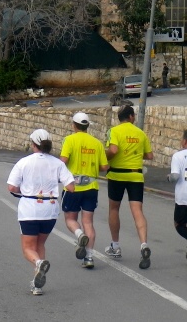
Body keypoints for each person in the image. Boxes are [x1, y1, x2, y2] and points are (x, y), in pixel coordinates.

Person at [7, 129, 75, 295]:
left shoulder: (24, 162)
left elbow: (11, 187)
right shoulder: (58, 163)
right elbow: (71, 186)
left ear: (33, 144)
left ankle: (38, 264)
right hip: (50, 208)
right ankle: (37, 284)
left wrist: (23, 191)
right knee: (40, 244)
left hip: (30, 208)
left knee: (28, 249)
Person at [104, 105, 154, 269]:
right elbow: (149, 155)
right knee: (137, 211)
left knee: (114, 209)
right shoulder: (140, 133)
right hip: (135, 175)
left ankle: (115, 246)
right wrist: (135, 152)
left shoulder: (114, 131)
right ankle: (144, 244)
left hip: (117, 174)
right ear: (131, 117)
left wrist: (105, 158)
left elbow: (113, 149)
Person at [59, 112, 109, 269]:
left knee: (70, 219)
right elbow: (104, 167)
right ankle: (89, 258)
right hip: (91, 188)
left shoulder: (69, 140)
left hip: (73, 186)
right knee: (88, 222)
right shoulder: (97, 143)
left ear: (74, 125)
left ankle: (79, 235)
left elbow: (63, 161)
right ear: (87, 126)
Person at [167, 129, 187, 254]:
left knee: (179, 224)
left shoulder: (178, 156)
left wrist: (168, 178)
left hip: (183, 197)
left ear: (184, 141)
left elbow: (175, 176)